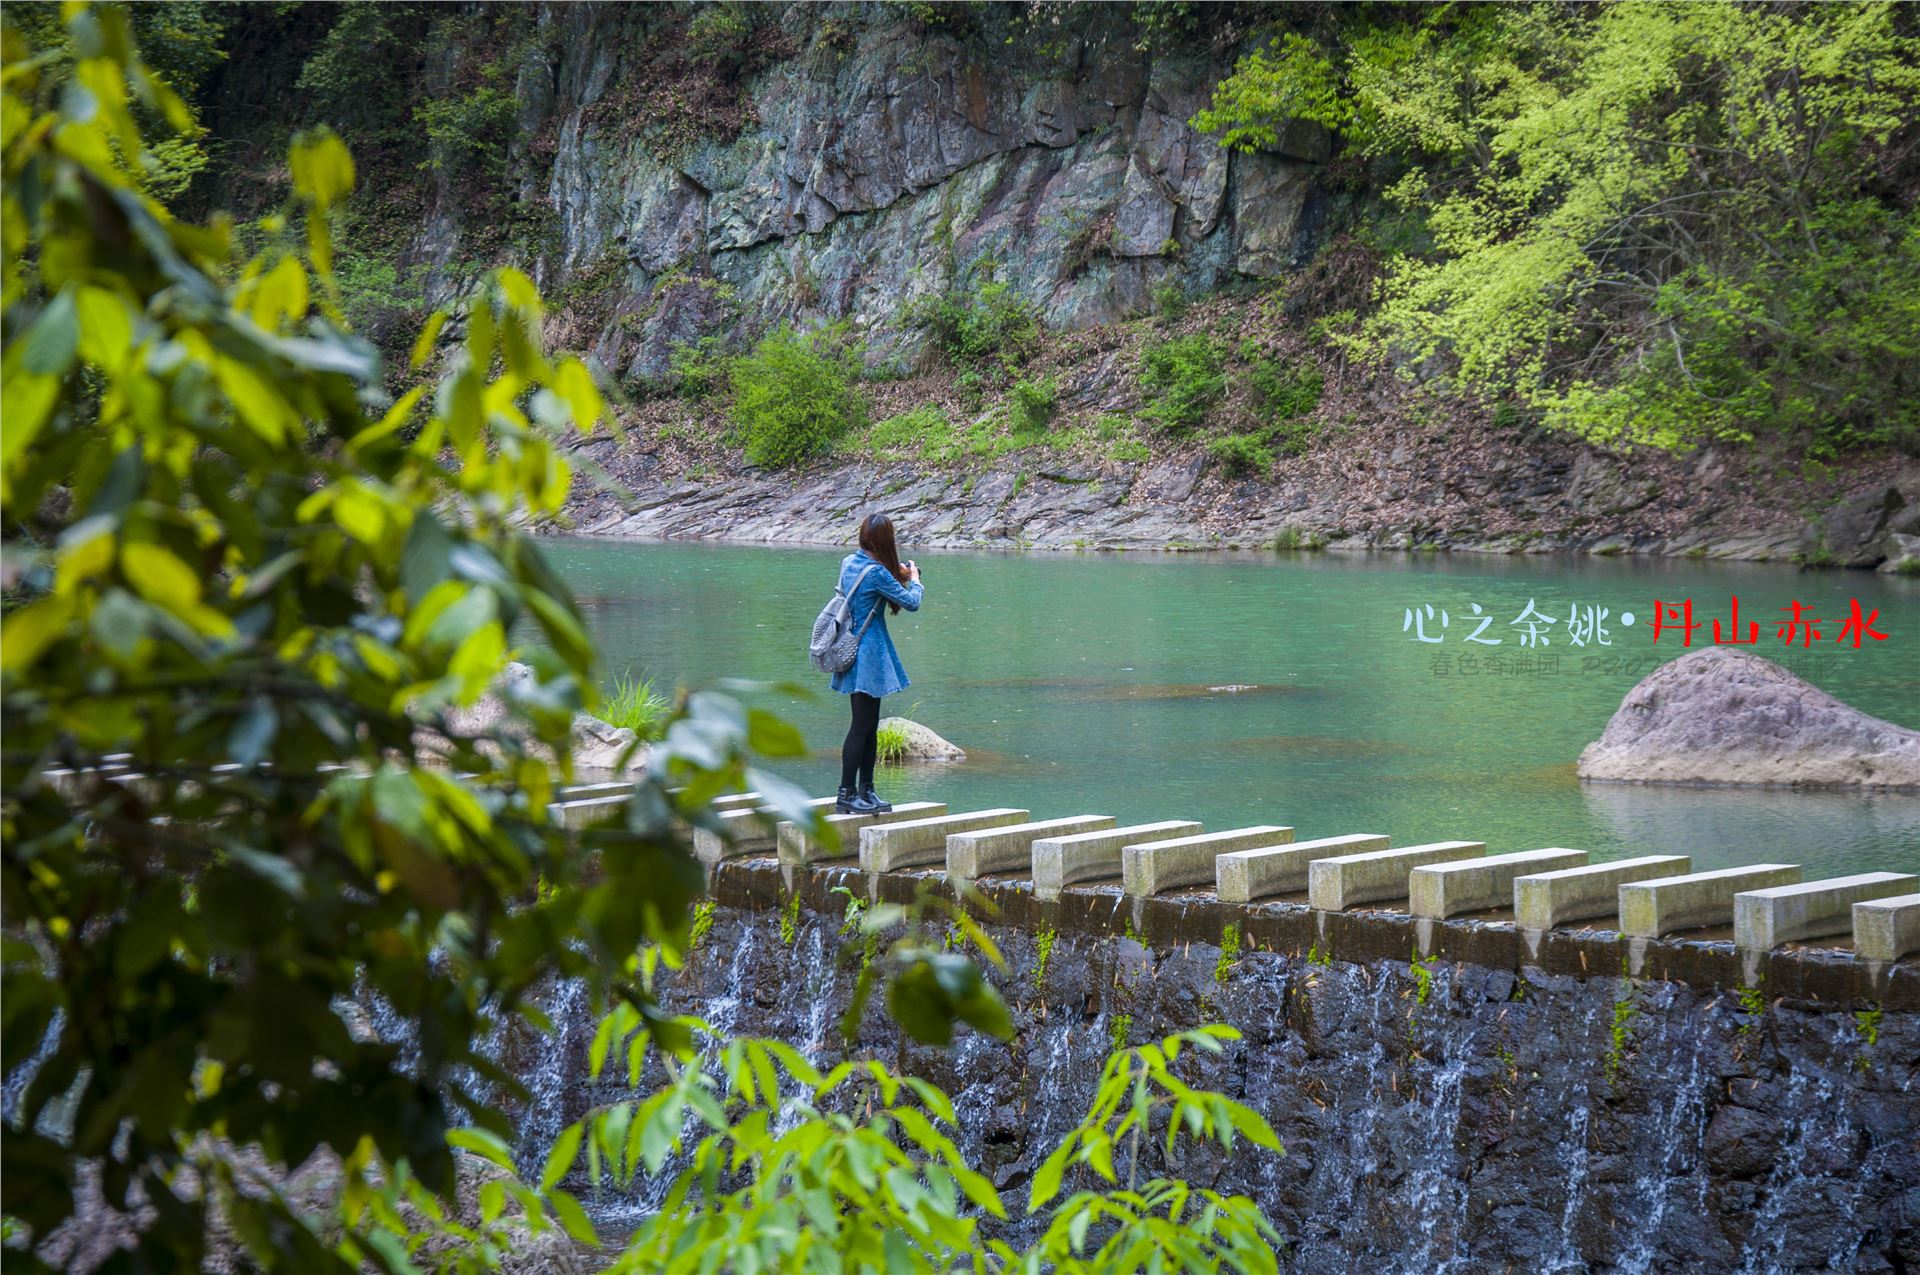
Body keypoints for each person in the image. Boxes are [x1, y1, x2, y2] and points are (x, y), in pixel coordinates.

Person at [830, 513, 923, 814]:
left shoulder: (850, 562)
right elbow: (912, 603)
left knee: (868, 725)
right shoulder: (877, 573)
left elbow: (872, 585)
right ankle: (847, 794)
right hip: (868, 651)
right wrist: (915, 580)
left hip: (850, 645)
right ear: (885, 541)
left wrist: (897, 573)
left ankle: (867, 790)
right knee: (861, 726)